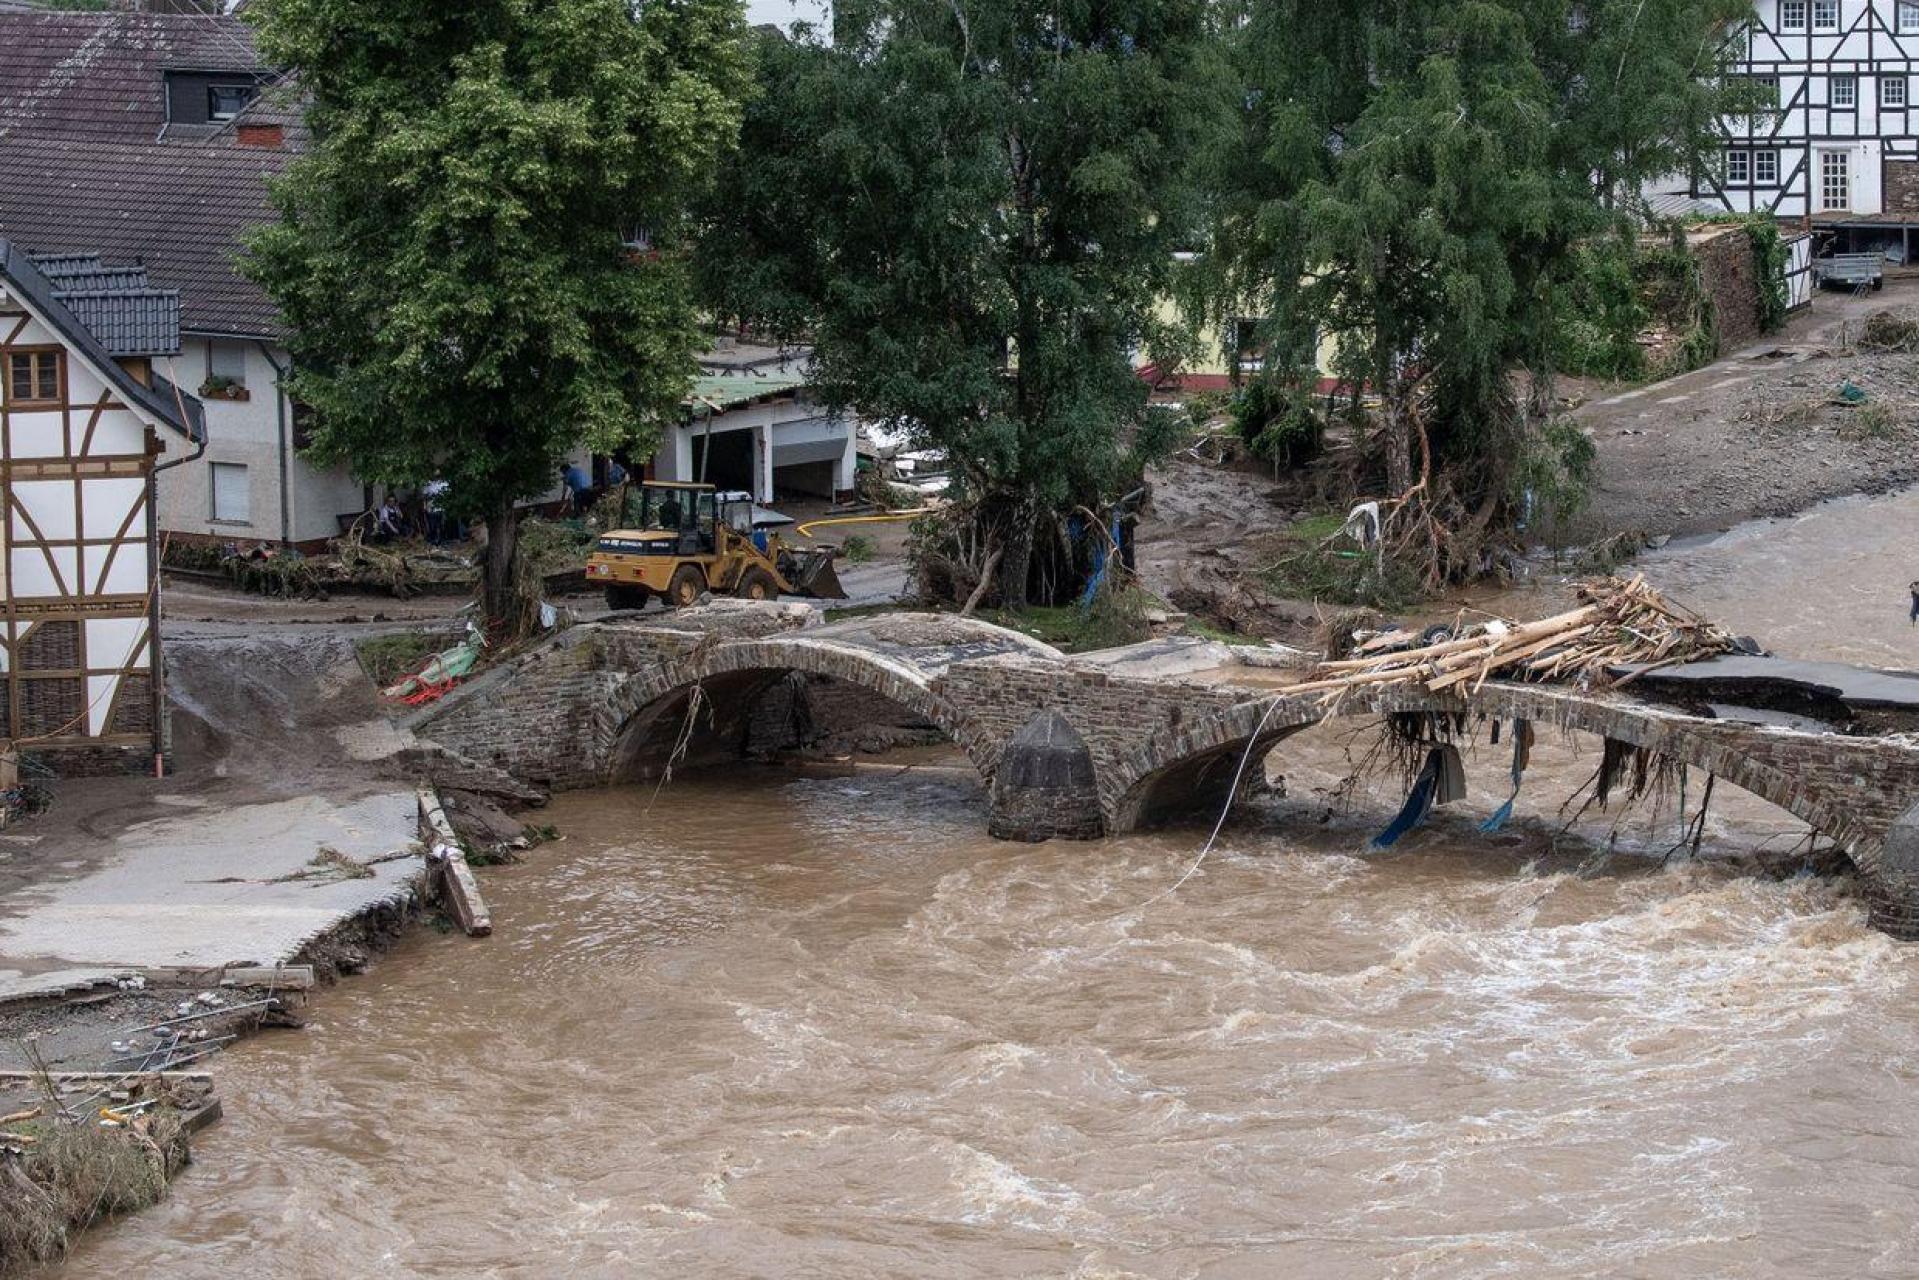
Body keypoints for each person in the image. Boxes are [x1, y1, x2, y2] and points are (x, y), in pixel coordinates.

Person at [423, 478, 450, 545]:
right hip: (431, 509)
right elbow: (424, 497)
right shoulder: (428, 483)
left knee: (443, 525)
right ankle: (433, 540)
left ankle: (443, 540)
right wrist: (425, 506)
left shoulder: (444, 482)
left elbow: (448, 496)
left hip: (442, 508)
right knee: (433, 526)